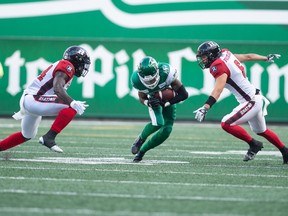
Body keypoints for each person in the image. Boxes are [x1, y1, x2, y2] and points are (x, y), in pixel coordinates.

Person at [193, 41, 288, 164]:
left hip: (251, 101)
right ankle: (285, 151)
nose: (203, 60)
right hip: (254, 98)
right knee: (261, 131)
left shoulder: (218, 65)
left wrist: (206, 107)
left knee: (226, 123)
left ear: (212, 54)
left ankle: (254, 144)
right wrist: (265, 58)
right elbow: (248, 57)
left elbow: (218, 89)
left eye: (205, 56)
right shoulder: (226, 53)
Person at [0, 46, 91, 153]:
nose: (84, 66)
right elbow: (57, 88)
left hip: (32, 100)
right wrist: (72, 102)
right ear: (77, 60)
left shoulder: (65, 66)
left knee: (27, 135)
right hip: (34, 99)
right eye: (83, 62)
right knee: (71, 106)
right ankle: (49, 137)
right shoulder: (67, 65)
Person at [130, 56, 188, 162]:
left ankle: (142, 151)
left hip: (168, 101)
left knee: (167, 130)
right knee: (158, 123)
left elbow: (184, 94)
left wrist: (167, 103)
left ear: (157, 71)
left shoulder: (166, 72)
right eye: (146, 79)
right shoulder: (136, 80)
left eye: (152, 78)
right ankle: (140, 139)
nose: (150, 81)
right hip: (153, 100)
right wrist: (148, 102)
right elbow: (141, 98)